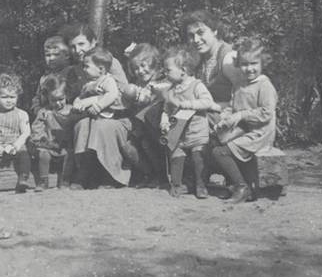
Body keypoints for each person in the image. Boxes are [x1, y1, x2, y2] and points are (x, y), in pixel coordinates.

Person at [64, 24, 134, 189]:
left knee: (102, 127)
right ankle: (85, 173)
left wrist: (94, 102)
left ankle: (111, 176)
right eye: (73, 46)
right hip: (92, 117)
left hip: (117, 117)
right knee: (81, 125)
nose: (77, 50)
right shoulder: (75, 71)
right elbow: (78, 97)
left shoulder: (108, 63)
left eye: (81, 44)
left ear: (93, 43)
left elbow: (124, 98)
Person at [211, 39, 278, 204]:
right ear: (238, 65)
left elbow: (266, 113)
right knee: (212, 142)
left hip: (259, 132)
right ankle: (236, 184)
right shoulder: (239, 85)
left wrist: (241, 116)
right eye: (244, 64)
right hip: (243, 129)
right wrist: (223, 119)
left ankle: (242, 187)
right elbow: (232, 108)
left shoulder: (264, 86)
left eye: (254, 64)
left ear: (263, 63)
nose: (249, 69)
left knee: (220, 152)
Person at [159, 46, 215, 198]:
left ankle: (201, 185)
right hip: (179, 135)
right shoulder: (171, 91)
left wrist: (189, 104)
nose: (165, 73)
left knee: (199, 158)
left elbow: (208, 102)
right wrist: (164, 123)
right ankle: (177, 185)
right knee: (176, 157)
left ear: (182, 70)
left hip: (197, 134)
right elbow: (166, 110)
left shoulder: (196, 86)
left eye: (168, 70)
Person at [179, 10, 246, 125]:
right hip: (209, 118)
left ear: (215, 31)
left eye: (201, 32)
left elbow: (248, 99)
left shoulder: (228, 60)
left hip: (231, 122)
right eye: (191, 35)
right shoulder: (199, 58)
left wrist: (211, 105)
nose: (195, 40)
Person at [121, 43, 169, 188]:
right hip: (141, 127)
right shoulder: (139, 84)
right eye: (136, 68)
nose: (140, 71)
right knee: (130, 147)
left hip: (158, 125)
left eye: (143, 65)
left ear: (154, 62)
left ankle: (162, 176)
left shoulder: (163, 79)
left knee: (150, 146)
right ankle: (150, 174)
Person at [28, 74, 80, 191]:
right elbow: (36, 128)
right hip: (49, 146)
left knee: (70, 155)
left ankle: (65, 180)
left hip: (65, 147)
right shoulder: (44, 112)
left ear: (67, 95)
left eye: (61, 99)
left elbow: (75, 128)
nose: (57, 103)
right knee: (43, 154)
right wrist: (41, 139)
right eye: (53, 100)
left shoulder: (71, 110)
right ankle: (43, 181)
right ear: (47, 98)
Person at [0, 72, 31, 194]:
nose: (9, 100)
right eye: (4, 97)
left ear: (17, 96)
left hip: (15, 146)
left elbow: (25, 132)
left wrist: (18, 145)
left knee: (25, 155)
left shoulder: (21, 114)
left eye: (12, 97)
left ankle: (23, 179)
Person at [73, 47, 124, 118]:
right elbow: (82, 95)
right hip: (88, 112)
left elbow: (112, 94)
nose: (84, 69)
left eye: (87, 66)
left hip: (101, 113)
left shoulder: (107, 80)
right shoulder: (89, 82)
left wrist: (98, 106)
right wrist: (77, 100)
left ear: (100, 69)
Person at [31, 35, 71, 115]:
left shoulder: (70, 72)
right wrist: (37, 108)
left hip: (65, 113)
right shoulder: (44, 78)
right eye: (48, 55)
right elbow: (38, 97)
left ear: (66, 56)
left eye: (56, 55)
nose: (51, 58)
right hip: (46, 114)